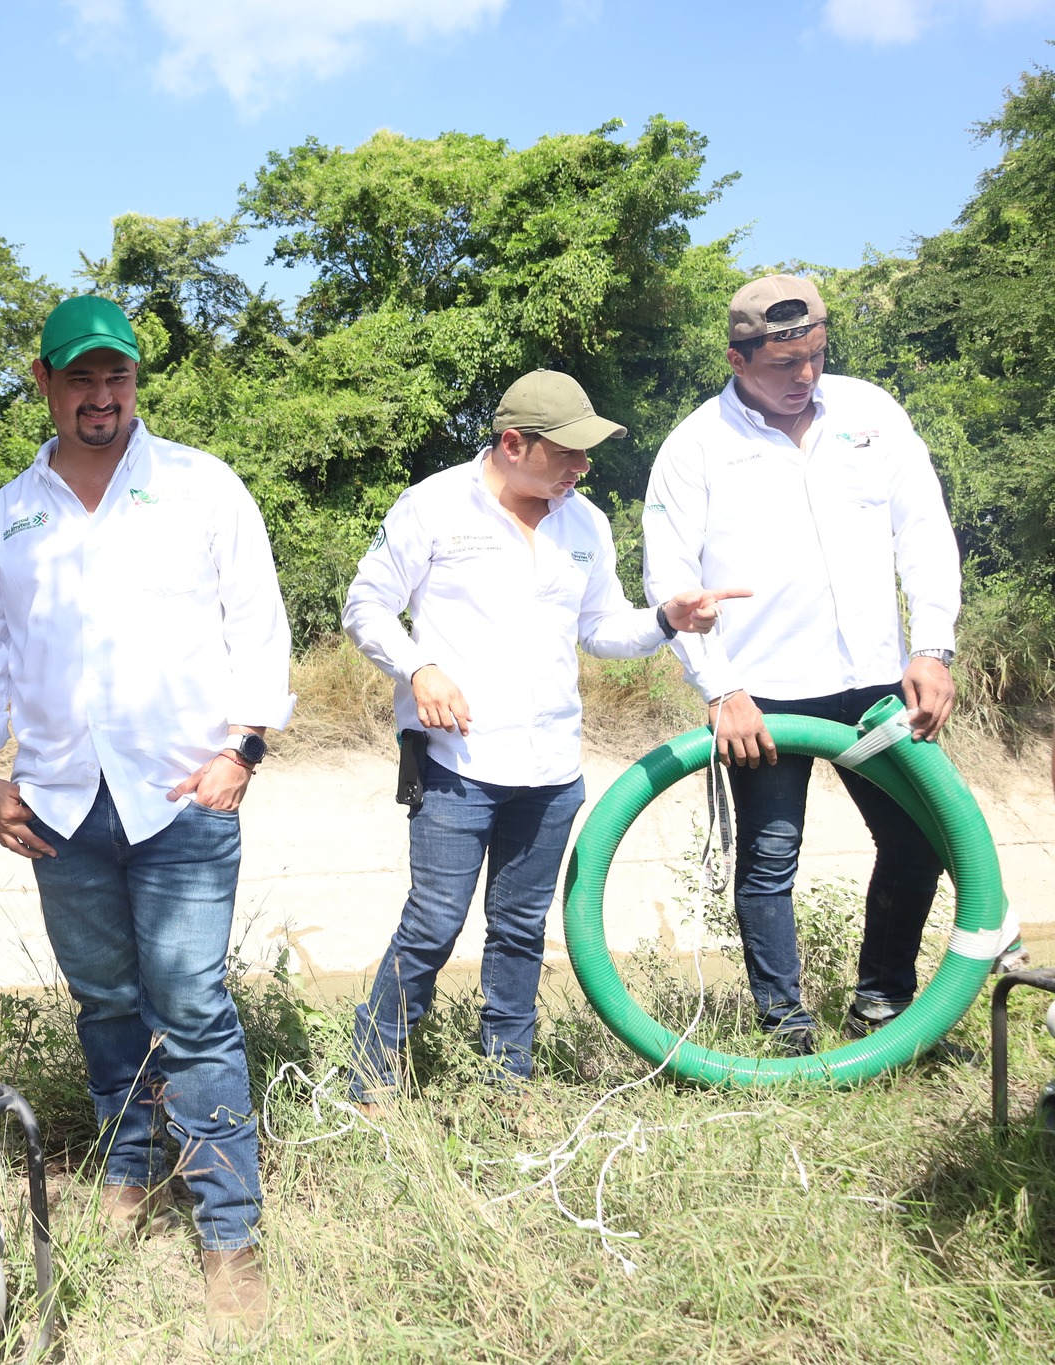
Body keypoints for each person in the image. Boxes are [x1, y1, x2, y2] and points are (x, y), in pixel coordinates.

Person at [0, 296, 293, 1337]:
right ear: (44, 384)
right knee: (103, 1002)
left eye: (118, 377)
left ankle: (229, 1235)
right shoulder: (7, 516)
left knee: (190, 1005)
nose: (100, 397)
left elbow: (257, 618)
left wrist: (243, 747)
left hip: (183, 794)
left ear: (135, 382)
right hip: (57, 802)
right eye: (80, 379)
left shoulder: (199, 486)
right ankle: (129, 1171)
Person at [342, 371, 744, 1101]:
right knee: (432, 925)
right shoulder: (433, 505)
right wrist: (418, 667)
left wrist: (666, 619)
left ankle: (508, 1084)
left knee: (521, 928)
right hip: (456, 764)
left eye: (586, 453)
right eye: (567, 452)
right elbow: (366, 605)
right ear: (513, 443)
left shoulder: (585, 523)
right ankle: (369, 1081)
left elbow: (601, 629)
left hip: (552, 769)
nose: (582, 466)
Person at [644, 273, 964, 1054]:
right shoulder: (696, 445)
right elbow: (670, 579)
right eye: (784, 364)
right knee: (769, 859)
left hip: (877, 682)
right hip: (764, 694)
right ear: (737, 359)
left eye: (817, 355)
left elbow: (924, 530)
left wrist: (932, 646)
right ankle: (784, 1032)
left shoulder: (871, 414)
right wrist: (721, 688)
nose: (806, 376)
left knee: (920, 838)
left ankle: (883, 1006)